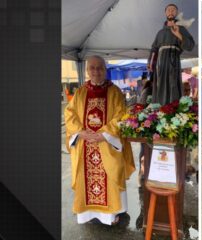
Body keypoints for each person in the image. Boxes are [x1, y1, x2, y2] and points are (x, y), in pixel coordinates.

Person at [64, 55, 135, 225]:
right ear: (87, 70)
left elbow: (121, 115)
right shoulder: (81, 92)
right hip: (85, 144)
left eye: (99, 68)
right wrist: (80, 132)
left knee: (110, 176)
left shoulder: (115, 91)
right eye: (92, 68)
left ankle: (110, 215)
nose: (96, 71)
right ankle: (88, 214)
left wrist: (103, 133)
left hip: (107, 144)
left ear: (105, 69)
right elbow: (69, 114)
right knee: (86, 179)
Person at [147, 3, 195, 105]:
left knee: (173, 85)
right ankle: (160, 110)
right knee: (160, 85)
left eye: (173, 10)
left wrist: (178, 34)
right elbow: (154, 49)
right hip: (160, 64)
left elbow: (190, 45)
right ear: (165, 13)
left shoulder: (181, 29)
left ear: (176, 13)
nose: (171, 12)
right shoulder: (160, 33)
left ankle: (172, 110)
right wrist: (150, 63)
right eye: (168, 10)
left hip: (174, 61)